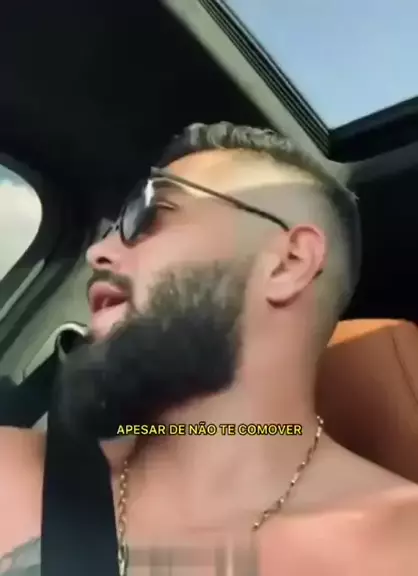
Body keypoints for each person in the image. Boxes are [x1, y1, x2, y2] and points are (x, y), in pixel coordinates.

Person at [0, 122, 417, 575]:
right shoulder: (12, 474)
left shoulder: (401, 549)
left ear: (289, 263)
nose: (98, 252)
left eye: (149, 212)